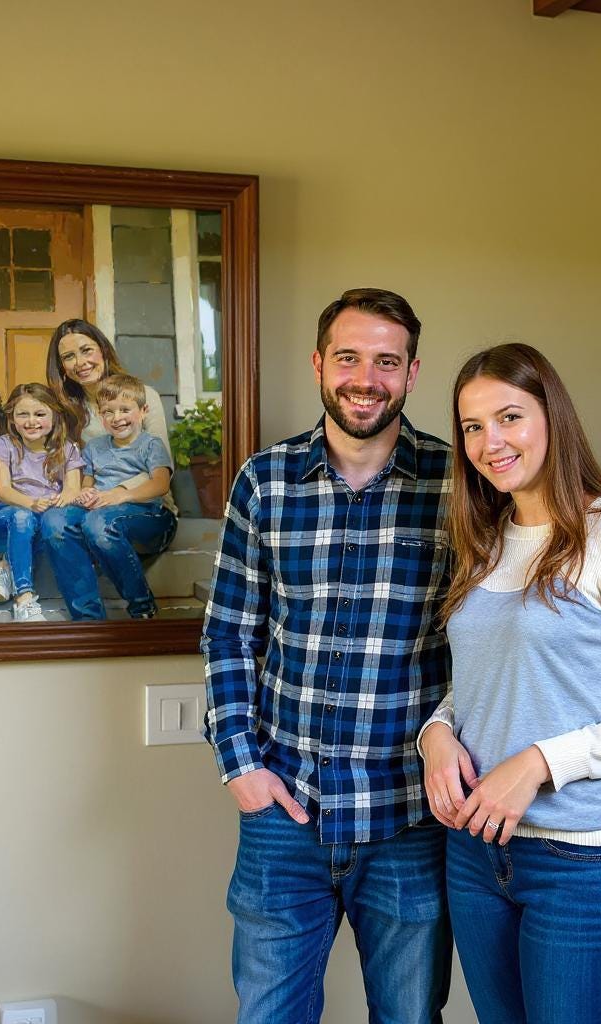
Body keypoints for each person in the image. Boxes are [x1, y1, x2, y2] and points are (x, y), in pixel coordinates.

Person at [420, 343, 601, 1024]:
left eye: (510, 417)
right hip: (479, 854)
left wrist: (538, 763)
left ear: (553, 416)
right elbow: (487, 685)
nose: (492, 442)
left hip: (589, 866)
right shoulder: (484, 541)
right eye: (474, 427)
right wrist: (435, 735)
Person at [201, 289, 453, 1023]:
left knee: (409, 1018)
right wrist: (240, 766)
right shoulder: (264, 480)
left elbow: (509, 633)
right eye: (348, 357)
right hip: (286, 809)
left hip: (410, 818)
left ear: (411, 373)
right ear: (319, 364)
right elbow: (229, 632)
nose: (364, 378)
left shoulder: (460, 483)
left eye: (385, 361)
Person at [42, 373, 176, 620]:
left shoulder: (150, 444)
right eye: (108, 412)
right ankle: (87, 615)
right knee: (54, 520)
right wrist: (86, 493)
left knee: (98, 523)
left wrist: (121, 496)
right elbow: (88, 483)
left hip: (150, 515)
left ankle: (142, 606)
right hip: (102, 510)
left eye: (125, 409)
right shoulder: (95, 447)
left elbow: (161, 483)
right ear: (100, 414)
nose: (117, 418)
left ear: (143, 411)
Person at [0, 384, 84, 622]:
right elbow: (3, 490)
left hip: (39, 520)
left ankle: (5, 567)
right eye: (23, 414)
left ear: (54, 416)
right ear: (12, 418)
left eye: (40, 414)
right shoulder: (3, 446)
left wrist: (59, 499)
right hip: (4, 523)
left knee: (49, 522)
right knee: (23, 516)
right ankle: (24, 598)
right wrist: (31, 502)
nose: (31, 421)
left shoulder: (66, 449)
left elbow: (72, 488)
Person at [45, 318, 171, 451]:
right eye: (68, 356)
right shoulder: (63, 410)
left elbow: (162, 458)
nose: (80, 362)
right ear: (61, 366)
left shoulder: (145, 396)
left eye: (86, 350)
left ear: (103, 350)